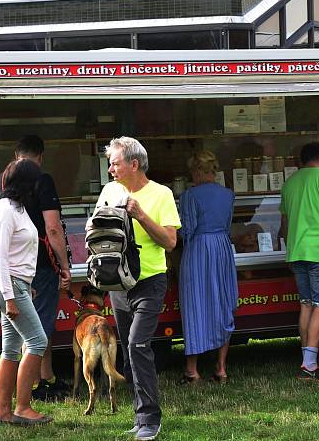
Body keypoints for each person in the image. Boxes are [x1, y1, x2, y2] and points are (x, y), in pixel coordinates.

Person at [95, 137, 180, 441]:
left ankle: (149, 419)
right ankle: (139, 413)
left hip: (149, 280)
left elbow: (170, 242)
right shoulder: (109, 191)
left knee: (136, 345)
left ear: (134, 164)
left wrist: (141, 215)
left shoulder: (161, 194)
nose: (110, 169)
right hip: (118, 282)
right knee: (128, 353)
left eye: (115, 163)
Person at [0, 135, 71, 400]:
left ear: (16, 155)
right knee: (38, 333)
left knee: (24, 335)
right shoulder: (42, 180)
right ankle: (33, 388)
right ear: (41, 157)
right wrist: (64, 265)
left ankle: (44, 378)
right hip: (33, 269)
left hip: (16, 272)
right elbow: (52, 228)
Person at [0, 159, 52, 425]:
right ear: (27, 184)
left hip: (18, 284)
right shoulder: (6, 210)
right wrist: (11, 297)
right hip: (10, 285)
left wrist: (26, 285)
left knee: (11, 348)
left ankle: (4, 412)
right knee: (38, 341)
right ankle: (23, 407)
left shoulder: (18, 208)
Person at [278, 142, 319, 380]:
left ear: (301, 159)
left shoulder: (290, 182)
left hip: (297, 251)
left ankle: (307, 361)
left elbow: (284, 223)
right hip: (318, 251)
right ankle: (309, 365)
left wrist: (289, 248)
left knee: (305, 304)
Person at [177, 151, 238, 384]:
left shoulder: (189, 196)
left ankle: (192, 370)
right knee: (223, 304)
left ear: (199, 171)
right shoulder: (228, 195)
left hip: (198, 250)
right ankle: (221, 368)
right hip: (222, 248)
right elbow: (228, 224)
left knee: (195, 305)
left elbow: (186, 231)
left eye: (193, 172)